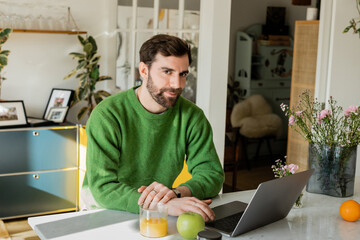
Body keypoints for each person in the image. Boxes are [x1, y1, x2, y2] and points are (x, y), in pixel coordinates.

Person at [82, 34, 224, 222]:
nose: (177, 84)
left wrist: (176, 194)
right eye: (167, 72)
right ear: (143, 70)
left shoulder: (192, 117)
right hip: (103, 211)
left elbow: (211, 174)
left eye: (182, 74)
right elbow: (103, 187)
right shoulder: (107, 115)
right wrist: (161, 204)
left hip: (158, 212)